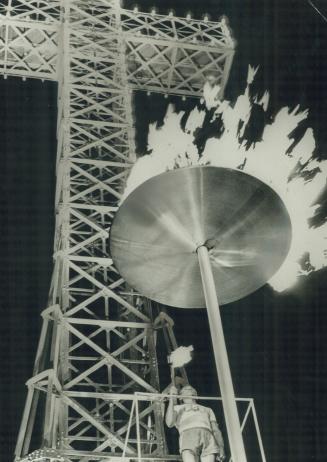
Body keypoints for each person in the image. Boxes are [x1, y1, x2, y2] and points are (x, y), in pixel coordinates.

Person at [165, 384, 225, 462]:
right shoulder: (177, 408)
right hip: (188, 435)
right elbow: (169, 423)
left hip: (208, 436)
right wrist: (171, 399)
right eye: (185, 389)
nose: (189, 388)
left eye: (191, 388)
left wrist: (221, 447)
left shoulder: (207, 409)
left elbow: (216, 430)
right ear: (180, 396)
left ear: (196, 394)